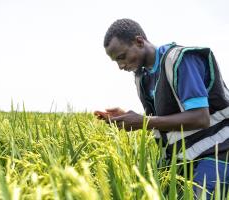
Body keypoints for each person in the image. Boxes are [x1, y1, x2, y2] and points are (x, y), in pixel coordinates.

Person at [95, 18, 229, 199]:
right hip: (183, 159)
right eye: (116, 62)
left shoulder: (180, 61)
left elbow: (200, 117)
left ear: (139, 41)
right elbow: (168, 118)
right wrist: (128, 117)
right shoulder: (143, 76)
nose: (121, 66)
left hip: (218, 153)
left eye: (122, 57)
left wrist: (144, 122)